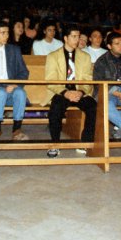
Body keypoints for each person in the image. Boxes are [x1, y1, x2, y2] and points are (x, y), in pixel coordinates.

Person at [44, 25, 96, 158]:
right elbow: (50, 80)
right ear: (65, 38)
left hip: (79, 92)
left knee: (93, 106)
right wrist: (66, 92)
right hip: (61, 92)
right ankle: (55, 144)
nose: (77, 39)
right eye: (74, 36)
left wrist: (80, 92)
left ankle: (85, 142)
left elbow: (88, 79)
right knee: (56, 107)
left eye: (78, 36)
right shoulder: (53, 56)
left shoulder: (85, 57)